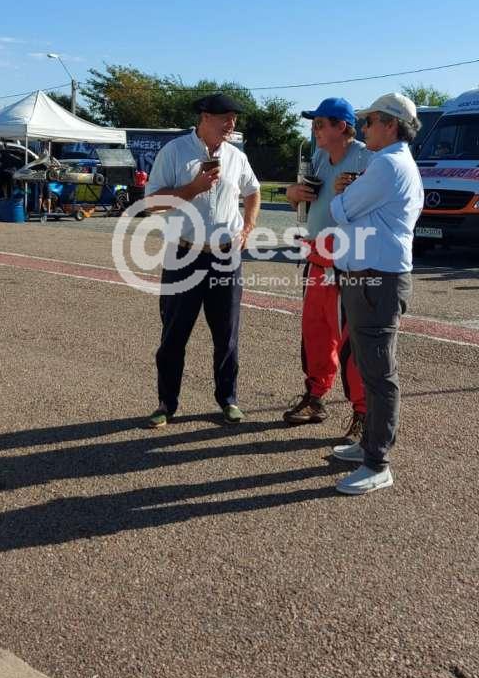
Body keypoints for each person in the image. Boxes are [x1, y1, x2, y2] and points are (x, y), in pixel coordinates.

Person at [143, 92, 260, 428]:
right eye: (225, 118)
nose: (231, 124)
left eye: (234, 118)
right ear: (205, 117)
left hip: (226, 257)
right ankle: (166, 404)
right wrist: (192, 188)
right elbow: (152, 203)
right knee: (174, 334)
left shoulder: (236, 157)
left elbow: (253, 191)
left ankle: (228, 400)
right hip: (185, 254)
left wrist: (248, 227)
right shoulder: (175, 151)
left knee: (227, 335)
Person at [327, 93, 424, 496]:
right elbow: (355, 209)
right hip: (371, 277)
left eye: (369, 121)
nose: (364, 128)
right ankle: (369, 445)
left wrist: (343, 196)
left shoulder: (386, 164)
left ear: (390, 124)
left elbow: (340, 210)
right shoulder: (393, 163)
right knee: (370, 368)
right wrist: (350, 199)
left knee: (379, 373)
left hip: (375, 279)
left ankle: (377, 462)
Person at [281, 98, 370, 442]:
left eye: (320, 124)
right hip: (316, 257)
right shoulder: (318, 157)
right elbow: (300, 202)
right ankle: (315, 397)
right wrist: (292, 193)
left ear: (343, 127)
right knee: (315, 333)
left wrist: (355, 191)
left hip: (348, 262)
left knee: (351, 342)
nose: (314, 130)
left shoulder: (366, 158)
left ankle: (363, 413)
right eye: (313, 124)